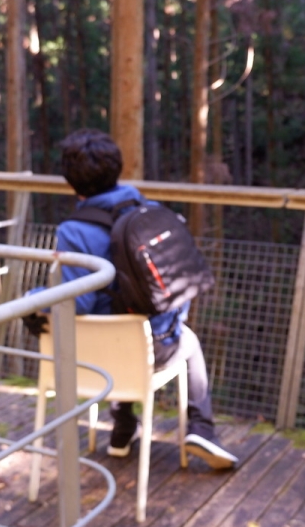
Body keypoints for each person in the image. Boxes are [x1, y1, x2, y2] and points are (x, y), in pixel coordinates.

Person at [31, 129, 238, 470]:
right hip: (148, 351)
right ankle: (202, 429)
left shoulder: (72, 231)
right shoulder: (150, 212)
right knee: (186, 341)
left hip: (86, 361)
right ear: (118, 168)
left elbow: (77, 303)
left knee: (112, 320)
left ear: (70, 181)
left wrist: (34, 298)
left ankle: (124, 426)